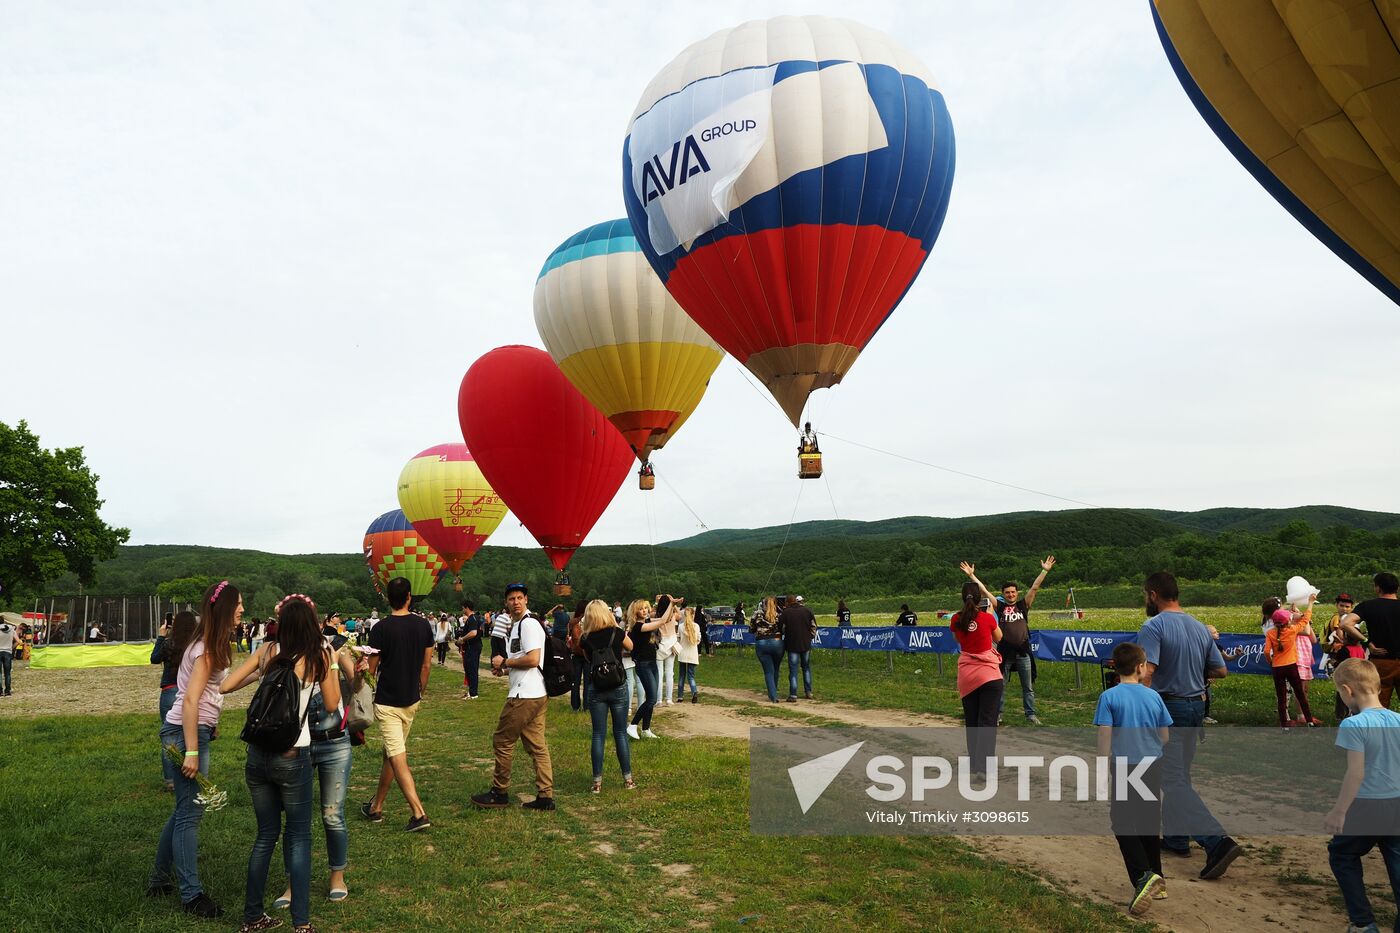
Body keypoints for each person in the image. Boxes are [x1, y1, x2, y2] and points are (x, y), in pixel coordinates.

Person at [220, 593, 339, 933]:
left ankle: (252, 917)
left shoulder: (267, 652)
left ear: (282, 624)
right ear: (311, 625)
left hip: (257, 757)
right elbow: (331, 704)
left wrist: (262, 675)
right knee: (299, 836)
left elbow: (227, 684)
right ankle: (301, 924)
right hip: (293, 754)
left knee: (265, 836)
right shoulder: (318, 655)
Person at [1136, 571, 1242, 878]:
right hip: (1195, 707)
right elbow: (1221, 671)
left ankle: (1216, 841)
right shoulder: (1198, 627)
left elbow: (1147, 671)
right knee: (1179, 775)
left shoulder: (1153, 626)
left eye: (1146, 595)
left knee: (1171, 779)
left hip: (1168, 707)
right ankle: (1176, 838)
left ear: (1153, 595)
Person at [149, 580, 241, 919]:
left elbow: (219, 688)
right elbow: (188, 700)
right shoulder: (205, 648)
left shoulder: (208, 643)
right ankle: (192, 895)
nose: (243, 610)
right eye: (239, 604)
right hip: (185, 732)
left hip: (190, 731)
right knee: (190, 813)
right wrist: (190, 749)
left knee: (182, 810)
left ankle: (159, 879)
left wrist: (259, 668)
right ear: (226, 609)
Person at [1094, 642, 1173, 916]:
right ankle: (1158, 881)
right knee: (1149, 822)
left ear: (1115, 667)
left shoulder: (1110, 697)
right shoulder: (1154, 697)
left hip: (1125, 766)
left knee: (1122, 823)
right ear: (1141, 667)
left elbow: (1105, 735)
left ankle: (1142, 876)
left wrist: (1102, 767)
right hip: (1152, 764)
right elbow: (1165, 736)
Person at [1324, 658, 1400, 933]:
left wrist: (1339, 811)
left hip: (1368, 806)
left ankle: (1363, 922)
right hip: (1397, 803)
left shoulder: (1353, 725)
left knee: (1342, 854)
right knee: (1396, 855)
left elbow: (1355, 774)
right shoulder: (1398, 720)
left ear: (1347, 690)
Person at [472, 583, 555, 811]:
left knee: (502, 741)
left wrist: (505, 662)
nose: (516, 602)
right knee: (537, 745)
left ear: (526, 600)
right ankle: (545, 796)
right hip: (536, 692)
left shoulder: (528, 624)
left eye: (519, 598)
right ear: (506, 603)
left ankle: (499, 792)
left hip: (524, 695)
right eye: (511, 599)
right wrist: (506, 670)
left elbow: (532, 659)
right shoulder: (520, 625)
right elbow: (524, 660)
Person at [361, 576, 434, 832]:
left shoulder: (380, 629)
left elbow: (371, 670)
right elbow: (426, 665)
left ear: (387, 598)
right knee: (391, 754)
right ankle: (376, 807)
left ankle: (418, 813)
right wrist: (420, 690)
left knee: (397, 756)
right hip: (411, 699)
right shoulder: (424, 625)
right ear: (409, 598)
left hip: (388, 701)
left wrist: (360, 664)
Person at [963, 557, 1053, 727]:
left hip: (1023, 652)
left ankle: (1030, 714)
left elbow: (1035, 587)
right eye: (1007, 592)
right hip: (1004, 653)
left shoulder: (1023, 605)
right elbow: (984, 591)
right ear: (1003, 594)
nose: (1010, 594)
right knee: (999, 686)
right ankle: (998, 714)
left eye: (1013, 592)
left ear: (1017, 593)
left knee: (1028, 687)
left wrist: (1045, 570)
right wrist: (972, 576)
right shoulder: (1000, 607)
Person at [579, 598, 635, 793]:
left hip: (597, 688)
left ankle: (597, 782)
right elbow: (631, 646)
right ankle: (628, 779)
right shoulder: (616, 632)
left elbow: (587, 658)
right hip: (618, 686)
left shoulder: (585, 638)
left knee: (598, 734)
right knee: (620, 733)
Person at [949, 580, 1002, 775]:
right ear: (980, 599)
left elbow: (958, 639)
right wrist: (989, 618)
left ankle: (974, 765)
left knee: (972, 722)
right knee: (987, 723)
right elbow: (999, 638)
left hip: (968, 676)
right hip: (989, 676)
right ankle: (985, 766)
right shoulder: (987, 618)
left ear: (963, 597)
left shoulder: (956, 619)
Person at [151, 611, 198, 791]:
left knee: (169, 738)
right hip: (190, 692)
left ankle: (171, 780)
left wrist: (161, 636)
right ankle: (189, 772)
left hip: (170, 691)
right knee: (191, 734)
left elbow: (154, 659)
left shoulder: (170, 644)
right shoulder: (195, 646)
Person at [1341, 572, 1400, 709]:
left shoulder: (1368, 606)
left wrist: (1366, 642)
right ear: (1396, 588)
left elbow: (1346, 624)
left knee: (1378, 705)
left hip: (1381, 661)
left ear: (1378, 588)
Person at [1263, 596, 1316, 730]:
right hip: (1291, 665)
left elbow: (1266, 651)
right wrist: (1309, 603)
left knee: (1281, 696)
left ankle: (1284, 724)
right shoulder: (1292, 630)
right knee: (1299, 693)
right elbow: (1306, 621)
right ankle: (1309, 720)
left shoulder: (1270, 633)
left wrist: (1271, 662)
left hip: (1277, 667)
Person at [626, 597, 671, 739]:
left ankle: (646, 730)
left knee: (651, 698)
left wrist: (670, 605)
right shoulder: (639, 627)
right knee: (651, 699)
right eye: (641, 608)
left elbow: (666, 619)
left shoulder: (646, 622)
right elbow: (663, 621)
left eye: (646, 608)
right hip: (643, 665)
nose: (645, 610)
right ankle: (632, 725)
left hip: (652, 663)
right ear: (635, 612)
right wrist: (672, 604)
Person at [1326, 594, 1366, 721]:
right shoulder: (1360, 648)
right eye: (1342, 606)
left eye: (1347, 606)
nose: (1344, 609)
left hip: (1345, 673)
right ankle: (1356, 714)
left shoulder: (1345, 648)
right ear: (1337, 605)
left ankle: (1341, 716)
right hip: (1358, 676)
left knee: (1342, 693)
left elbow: (1340, 662)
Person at [780, 594, 816, 702]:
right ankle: (808, 692)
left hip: (792, 645)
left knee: (793, 670)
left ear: (787, 602)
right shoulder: (807, 611)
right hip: (806, 644)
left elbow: (780, 628)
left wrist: (785, 634)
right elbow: (814, 626)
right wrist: (810, 637)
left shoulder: (785, 612)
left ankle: (793, 694)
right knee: (806, 668)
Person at [750, 596, 784, 703]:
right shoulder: (779, 615)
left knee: (768, 671)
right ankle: (773, 693)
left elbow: (751, 629)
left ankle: (773, 695)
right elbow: (783, 629)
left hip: (762, 642)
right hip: (777, 642)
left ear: (763, 604)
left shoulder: (757, 614)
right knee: (776, 669)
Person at [456, 602, 483, 700]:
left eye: (463, 608)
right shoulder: (474, 618)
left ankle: (473, 693)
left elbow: (473, 633)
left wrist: (462, 639)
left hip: (473, 647)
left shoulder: (472, 619)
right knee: (468, 669)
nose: (462, 610)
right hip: (470, 647)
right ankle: (470, 691)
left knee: (472, 669)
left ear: (467, 608)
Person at [656, 597, 680, 704]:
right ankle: (669, 699)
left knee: (659, 674)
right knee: (670, 673)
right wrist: (674, 604)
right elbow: (681, 615)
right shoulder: (673, 616)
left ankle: (659, 700)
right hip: (671, 645)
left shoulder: (655, 616)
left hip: (660, 646)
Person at [566, 600, 588, 712]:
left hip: (575, 654)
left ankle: (575, 706)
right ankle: (587, 706)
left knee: (575, 681)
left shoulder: (573, 622)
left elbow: (569, 636)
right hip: (587, 654)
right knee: (588, 682)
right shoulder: (590, 620)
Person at [677, 607, 702, 703]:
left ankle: (680, 696)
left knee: (681, 675)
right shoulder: (696, 626)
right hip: (692, 654)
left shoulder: (680, 626)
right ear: (693, 615)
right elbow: (698, 640)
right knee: (691, 676)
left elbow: (678, 639)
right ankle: (694, 692)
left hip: (682, 654)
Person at [0, 615, 19, 697]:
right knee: (7, 673)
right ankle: (8, 691)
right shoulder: (11, 629)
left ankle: (0, 691)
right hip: (8, 652)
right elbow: (18, 641)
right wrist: (11, 648)